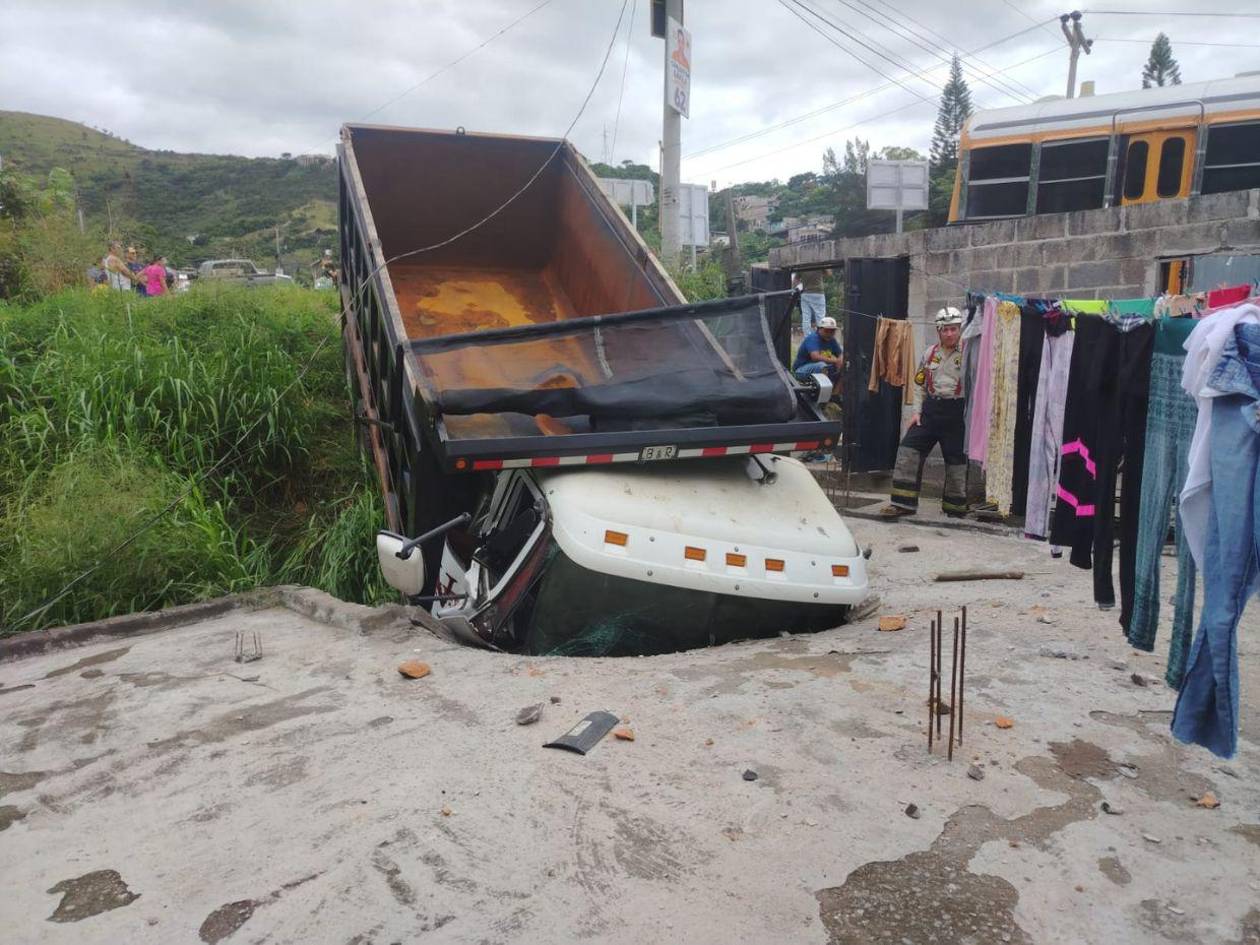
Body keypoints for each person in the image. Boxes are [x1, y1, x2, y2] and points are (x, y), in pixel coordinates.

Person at [881, 307, 968, 518]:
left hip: (957, 413)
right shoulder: (929, 354)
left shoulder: (968, 353)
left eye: (953, 329)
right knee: (908, 450)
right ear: (938, 331)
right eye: (945, 329)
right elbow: (919, 385)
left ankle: (955, 509)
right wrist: (916, 412)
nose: (949, 333)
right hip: (930, 412)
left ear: (960, 329)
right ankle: (902, 504)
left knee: (956, 461)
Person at [793, 315, 843, 383]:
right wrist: (835, 361)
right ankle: (824, 389)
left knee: (844, 365)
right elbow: (815, 357)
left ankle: (835, 392)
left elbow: (840, 354)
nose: (829, 333)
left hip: (821, 368)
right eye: (826, 330)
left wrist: (840, 361)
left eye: (832, 331)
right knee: (821, 366)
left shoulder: (832, 340)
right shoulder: (813, 338)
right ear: (819, 329)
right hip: (801, 371)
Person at [794, 268, 829, 334]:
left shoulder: (802, 263)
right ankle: (821, 338)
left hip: (805, 293)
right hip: (818, 293)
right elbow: (828, 273)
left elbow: (795, 279)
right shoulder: (820, 262)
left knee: (806, 318)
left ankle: (807, 338)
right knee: (820, 317)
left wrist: (799, 287)